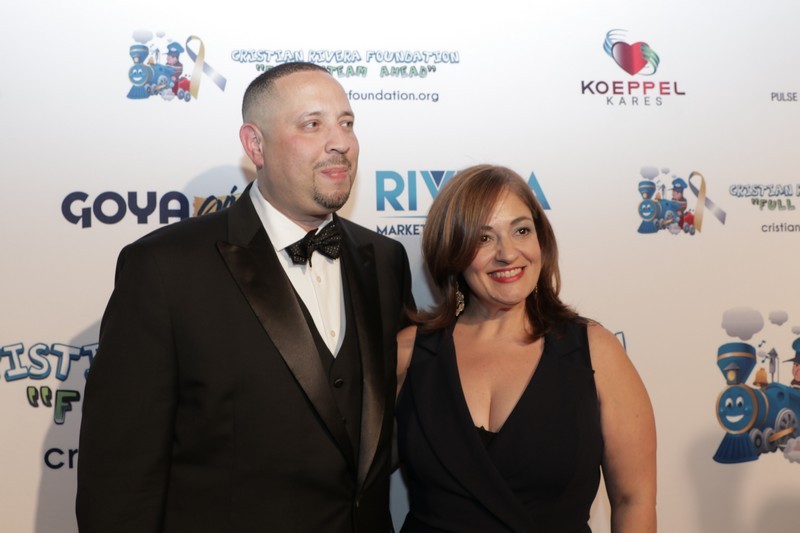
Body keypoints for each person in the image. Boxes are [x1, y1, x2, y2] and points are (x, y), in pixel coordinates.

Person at [77, 62, 414, 532]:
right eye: (312, 124)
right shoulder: (165, 268)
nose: (340, 141)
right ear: (255, 145)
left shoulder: (384, 260)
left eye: (347, 123)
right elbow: (119, 479)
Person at [395, 165, 656, 532]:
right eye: (484, 238)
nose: (508, 253)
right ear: (453, 250)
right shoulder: (409, 354)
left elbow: (634, 499)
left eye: (521, 230)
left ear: (541, 240)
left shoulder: (594, 352)